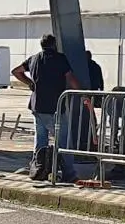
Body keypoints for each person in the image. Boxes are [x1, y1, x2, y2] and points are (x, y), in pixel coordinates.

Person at [11, 34, 81, 182]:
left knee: (40, 140)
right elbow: (70, 78)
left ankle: (39, 170)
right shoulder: (60, 59)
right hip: (55, 107)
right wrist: (82, 92)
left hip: (37, 106)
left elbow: (16, 71)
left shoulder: (34, 59)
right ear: (54, 44)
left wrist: (30, 83)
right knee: (64, 141)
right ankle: (69, 173)